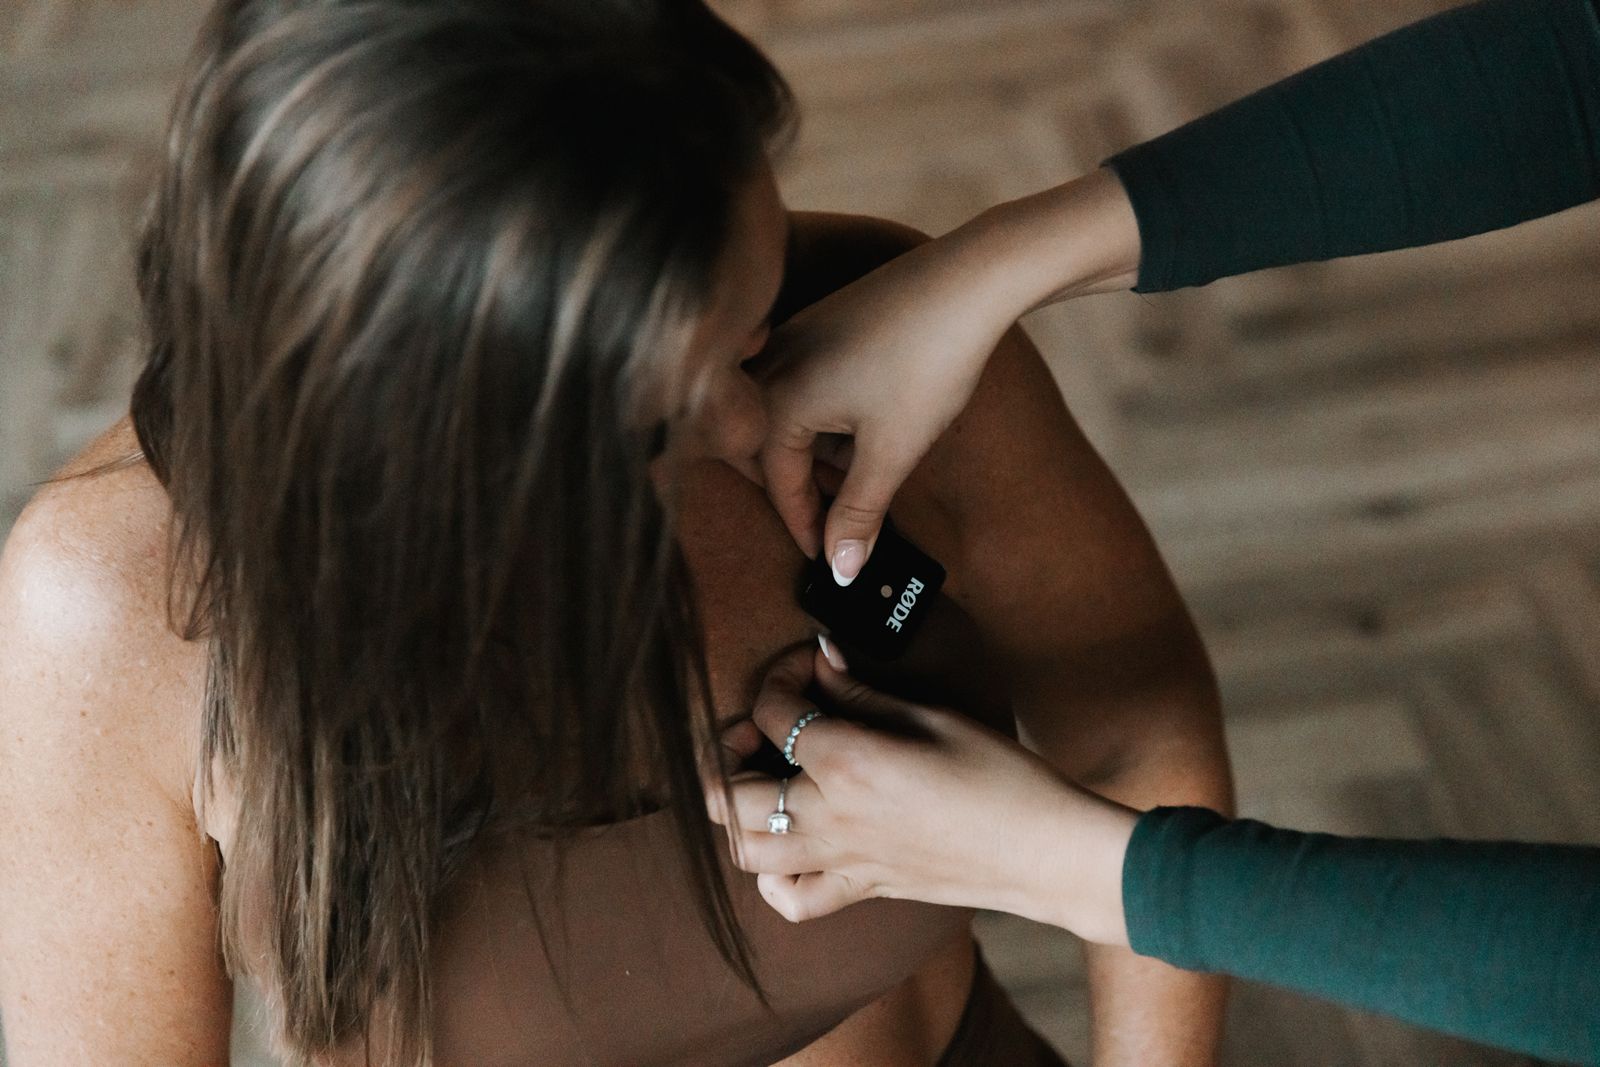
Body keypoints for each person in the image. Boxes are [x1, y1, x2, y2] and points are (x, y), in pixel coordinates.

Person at [0, 2, 1236, 1065]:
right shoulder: (106, 615)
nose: (772, 400)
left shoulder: (881, 336)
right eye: (688, 386)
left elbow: (1135, 723)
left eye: (754, 300)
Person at [710, 0, 1600, 1061]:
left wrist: (1081, 868)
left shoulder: (829, 301)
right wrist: (1002, 263)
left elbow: (1132, 709)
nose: (744, 407)